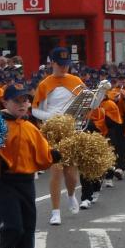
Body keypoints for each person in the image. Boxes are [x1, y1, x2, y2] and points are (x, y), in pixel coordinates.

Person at [0, 84, 59, 248]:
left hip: (27, 181)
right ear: (5, 102)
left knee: (28, 228)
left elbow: (43, 154)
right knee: (14, 226)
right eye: (17, 101)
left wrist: (55, 155)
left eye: (25, 101)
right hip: (5, 181)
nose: (23, 105)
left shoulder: (31, 127)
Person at [31, 47, 83, 226]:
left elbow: (84, 105)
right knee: (56, 170)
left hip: (72, 130)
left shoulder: (76, 81)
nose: (64, 68)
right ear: (52, 63)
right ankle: (55, 211)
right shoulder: (45, 84)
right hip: (53, 132)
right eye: (60, 64)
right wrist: (51, 117)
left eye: (66, 65)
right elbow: (35, 110)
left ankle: (71, 194)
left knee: (71, 173)